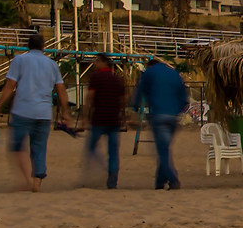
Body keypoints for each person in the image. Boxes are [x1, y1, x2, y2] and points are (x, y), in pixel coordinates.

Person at [0, 35, 64, 191]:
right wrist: (66, 112)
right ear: (43, 47)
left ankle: (27, 179)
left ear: (28, 46)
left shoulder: (19, 60)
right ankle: (37, 179)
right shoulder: (52, 64)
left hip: (23, 110)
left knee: (17, 146)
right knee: (39, 147)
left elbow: (10, 85)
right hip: (44, 112)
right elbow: (61, 89)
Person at [135, 55, 190, 190]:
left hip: (159, 115)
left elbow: (140, 91)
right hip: (173, 117)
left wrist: (135, 106)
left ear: (150, 66)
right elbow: (184, 99)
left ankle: (173, 179)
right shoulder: (174, 73)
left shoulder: (150, 73)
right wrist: (176, 111)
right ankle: (160, 182)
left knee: (162, 150)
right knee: (164, 149)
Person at [81, 55, 129, 188]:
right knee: (113, 152)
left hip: (99, 118)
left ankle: (102, 167)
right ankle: (112, 180)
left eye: (97, 61)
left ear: (103, 62)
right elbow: (124, 99)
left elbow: (90, 98)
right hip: (114, 118)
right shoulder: (117, 79)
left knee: (91, 146)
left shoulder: (96, 77)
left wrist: (85, 116)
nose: (95, 64)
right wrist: (122, 114)